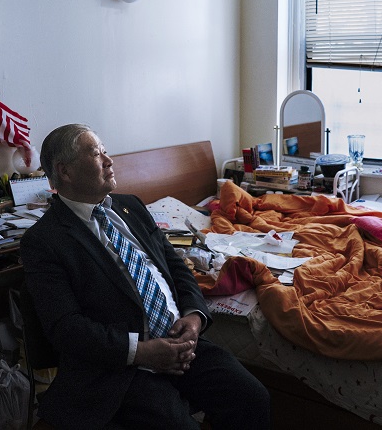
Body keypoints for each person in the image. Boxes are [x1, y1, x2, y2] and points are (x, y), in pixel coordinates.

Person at [20, 124, 271, 429]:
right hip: (120, 367)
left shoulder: (131, 207)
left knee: (252, 398)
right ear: (65, 171)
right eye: (96, 154)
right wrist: (141, 352)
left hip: (180, 342)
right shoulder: (44, 241)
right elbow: (66, 328)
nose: (109, 160)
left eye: (105, 151)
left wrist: (194, 317)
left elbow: (176, 267)